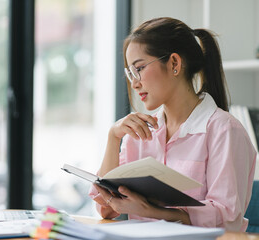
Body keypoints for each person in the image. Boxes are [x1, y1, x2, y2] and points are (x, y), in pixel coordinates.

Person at [88, 17, 257, 231]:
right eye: (130, 73)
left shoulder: (224, 130)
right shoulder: (139, 132)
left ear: (174, 63)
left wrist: (152, 212)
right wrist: (113, 138)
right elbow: (105, 209)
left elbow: (226, 219)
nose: (134, 82)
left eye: (139, 69)